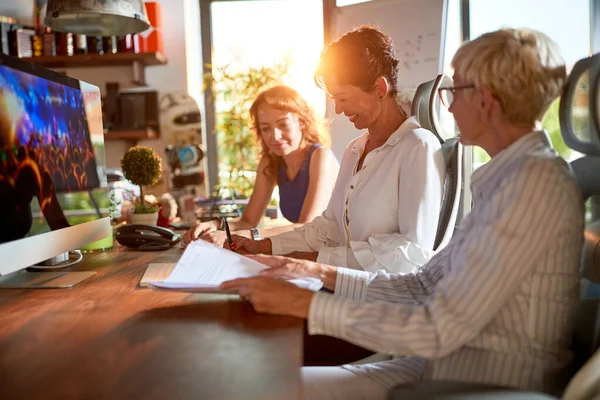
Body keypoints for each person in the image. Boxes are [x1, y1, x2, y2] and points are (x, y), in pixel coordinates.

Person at [221, 28, 584, 399]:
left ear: (485, 101)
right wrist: (312, 270)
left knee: (263, 386)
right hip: (437, 364)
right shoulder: (504, 178)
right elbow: (423, 284)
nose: (447, 106)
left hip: (481, 382)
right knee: (262, 380)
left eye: (453, 92)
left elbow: (438, 326)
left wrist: (306, 303)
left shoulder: (533, 184)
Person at [230, 26, 445, 274]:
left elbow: (411, 252)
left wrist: (313, 260)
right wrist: (264, 245)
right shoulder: (355, 150)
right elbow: (329, 228)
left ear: (379, 88)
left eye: (344, 98)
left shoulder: (417, 146)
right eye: (335, 99)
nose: (340, 110)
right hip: (343, 285)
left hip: (383, 299)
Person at [182, 85, 339, 246]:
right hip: (305, 250)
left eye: (283, 125)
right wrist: (216, 225)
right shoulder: (271, 161)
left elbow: (306, 228)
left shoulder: (321, 156)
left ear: (302, 122)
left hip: (333, 253)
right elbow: (248, 220)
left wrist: (238, 236)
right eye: (266, 128)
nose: (275, 136)